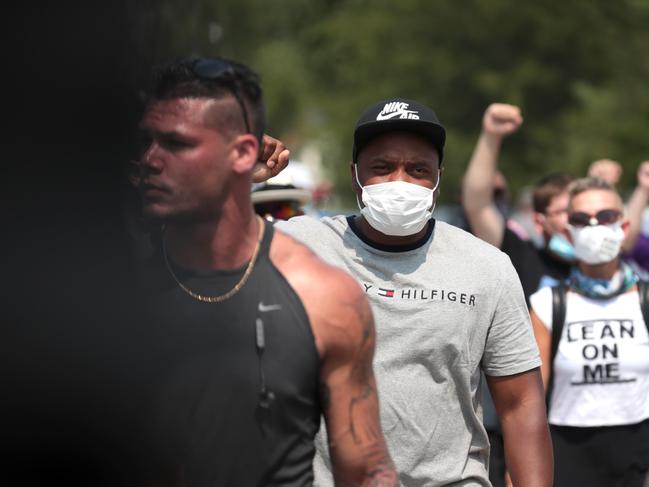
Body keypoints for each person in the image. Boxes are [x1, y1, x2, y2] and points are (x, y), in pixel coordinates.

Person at [136, 57, 398, 486]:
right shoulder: (106, 280)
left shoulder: (323, 297)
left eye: (177, 144)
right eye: (144, 142)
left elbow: (367, 471)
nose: (150, 159)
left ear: (242, 153)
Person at [274, 98, 553, 486]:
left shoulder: (487, 266)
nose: (399, 183)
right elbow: (185, 253)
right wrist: (234, 177)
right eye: (382, 168)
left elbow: (521, 404)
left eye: (418, 169)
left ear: (438, 178)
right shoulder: (294, 247)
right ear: (355, 175)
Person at [529, 177, 649, 486]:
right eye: (582, 219)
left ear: (623, 227)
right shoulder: (546, 305)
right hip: (567, 454)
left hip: (638, 454)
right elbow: (529, 402)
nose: (595, 227)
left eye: (606, 217)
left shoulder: (645, 299)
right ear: (568, 232)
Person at [462, 103, 575, 304]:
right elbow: (478, 205)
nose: (575, 219)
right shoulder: (522, 258)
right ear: (540, 222)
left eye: (580, 211)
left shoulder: (611, 268)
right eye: (565, 211)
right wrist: (491, 137)